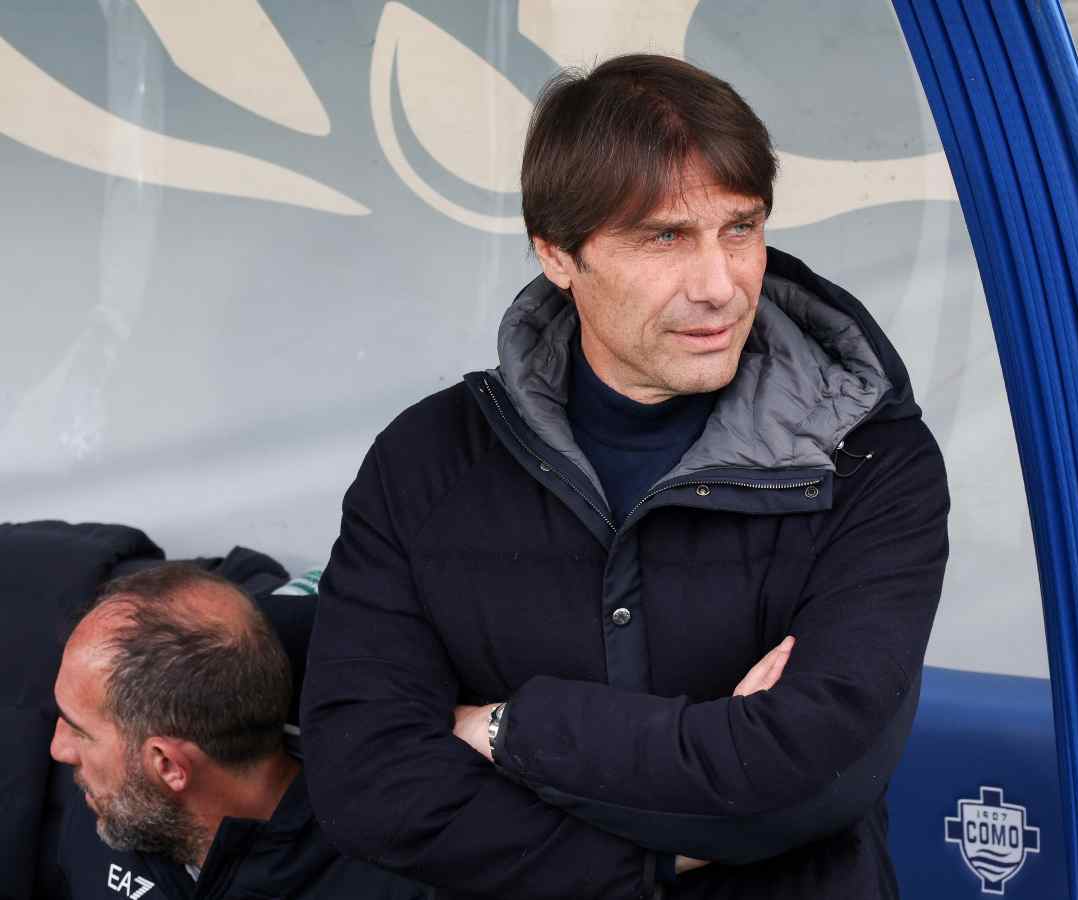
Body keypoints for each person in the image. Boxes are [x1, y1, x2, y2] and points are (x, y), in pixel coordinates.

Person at [301, 53, 950, 899]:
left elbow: (809, 777)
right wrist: (655, 859)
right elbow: (365, 782)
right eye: (665, 238)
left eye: (741, 229)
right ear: (557, 254)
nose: (719, 286)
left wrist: (506, 729)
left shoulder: (867, 458)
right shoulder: (426, 462)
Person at [49, 563, 426, 899]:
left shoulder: (397, 870)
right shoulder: (111, 803)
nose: (56, 748)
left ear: (167, 765)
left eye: (79, 730)